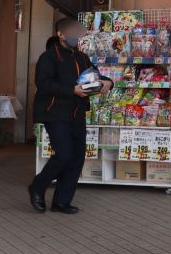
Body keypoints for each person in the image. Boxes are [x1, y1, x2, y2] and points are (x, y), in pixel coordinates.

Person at [28, 17, 111, 214]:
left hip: (77, 112)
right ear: (60, 34)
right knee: (64, 154)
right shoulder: (48, 57)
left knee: (77, 158)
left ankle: (61, 202)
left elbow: (95, 76)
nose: (76, 38)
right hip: (55, 112)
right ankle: (37, 187)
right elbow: (43, 84)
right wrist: (72, 90)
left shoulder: (81, 57)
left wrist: (107, 82)